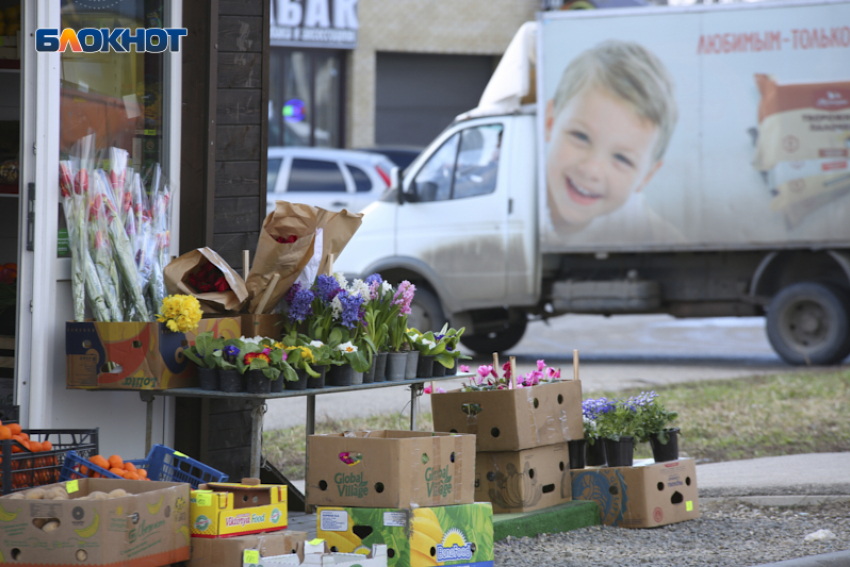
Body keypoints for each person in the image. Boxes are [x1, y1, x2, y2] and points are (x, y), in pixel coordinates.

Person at [545, 40, 684, 243]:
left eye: (622, 158)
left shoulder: (651, 234)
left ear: (647, 176)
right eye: (581, 136)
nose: (592, 171)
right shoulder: (516, 185)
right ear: (550, 122)